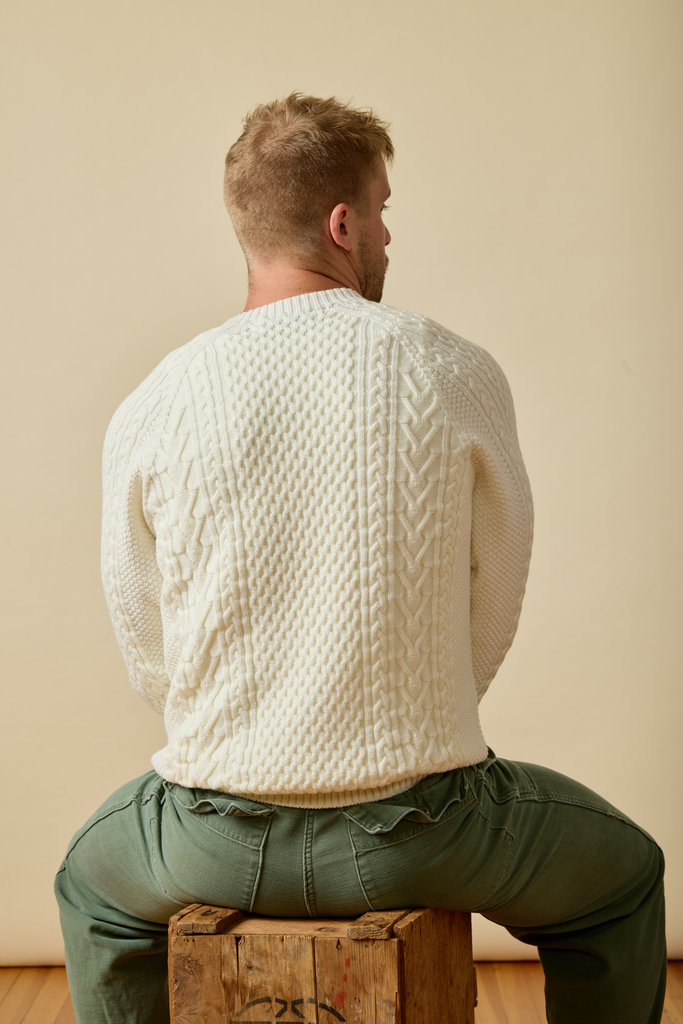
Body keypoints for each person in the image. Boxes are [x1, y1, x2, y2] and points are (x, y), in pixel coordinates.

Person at [54, 93, 666, 1024]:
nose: (387, 233)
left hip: (210, 831)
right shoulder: (448, 367)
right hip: (424, 826)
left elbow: (143, 630)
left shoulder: (156, 397)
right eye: (382, 209)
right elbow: (494, 595)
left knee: (90, 890)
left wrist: (236, 749)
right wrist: (423, 717)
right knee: (622, 878)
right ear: (342, 224)